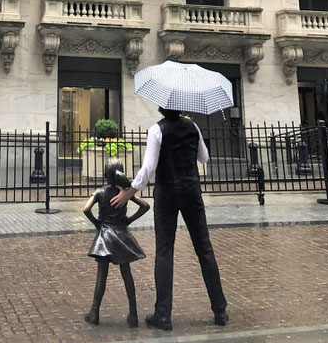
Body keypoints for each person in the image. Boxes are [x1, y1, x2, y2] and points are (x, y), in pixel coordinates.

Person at [111, 108, 228, 332]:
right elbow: (205, 158)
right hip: (191, 191)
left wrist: (130, 191)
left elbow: (149, 168)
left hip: (167, 194)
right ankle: (220, 310)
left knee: (165, 250)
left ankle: (163, 315)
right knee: (204, 248)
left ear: (161, 107)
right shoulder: (192, 126)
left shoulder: (157, 130)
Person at [82, 157, 150, 327]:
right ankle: (133, 314)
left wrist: (97, 223)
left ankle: (95, 312)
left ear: (105, 174)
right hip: (121, 235)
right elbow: (145, 206)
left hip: (105, 236)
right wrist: (128, 220)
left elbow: (86, 209)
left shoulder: (100, 192)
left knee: (101, 276)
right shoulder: (125, 192)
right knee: (127, 274)